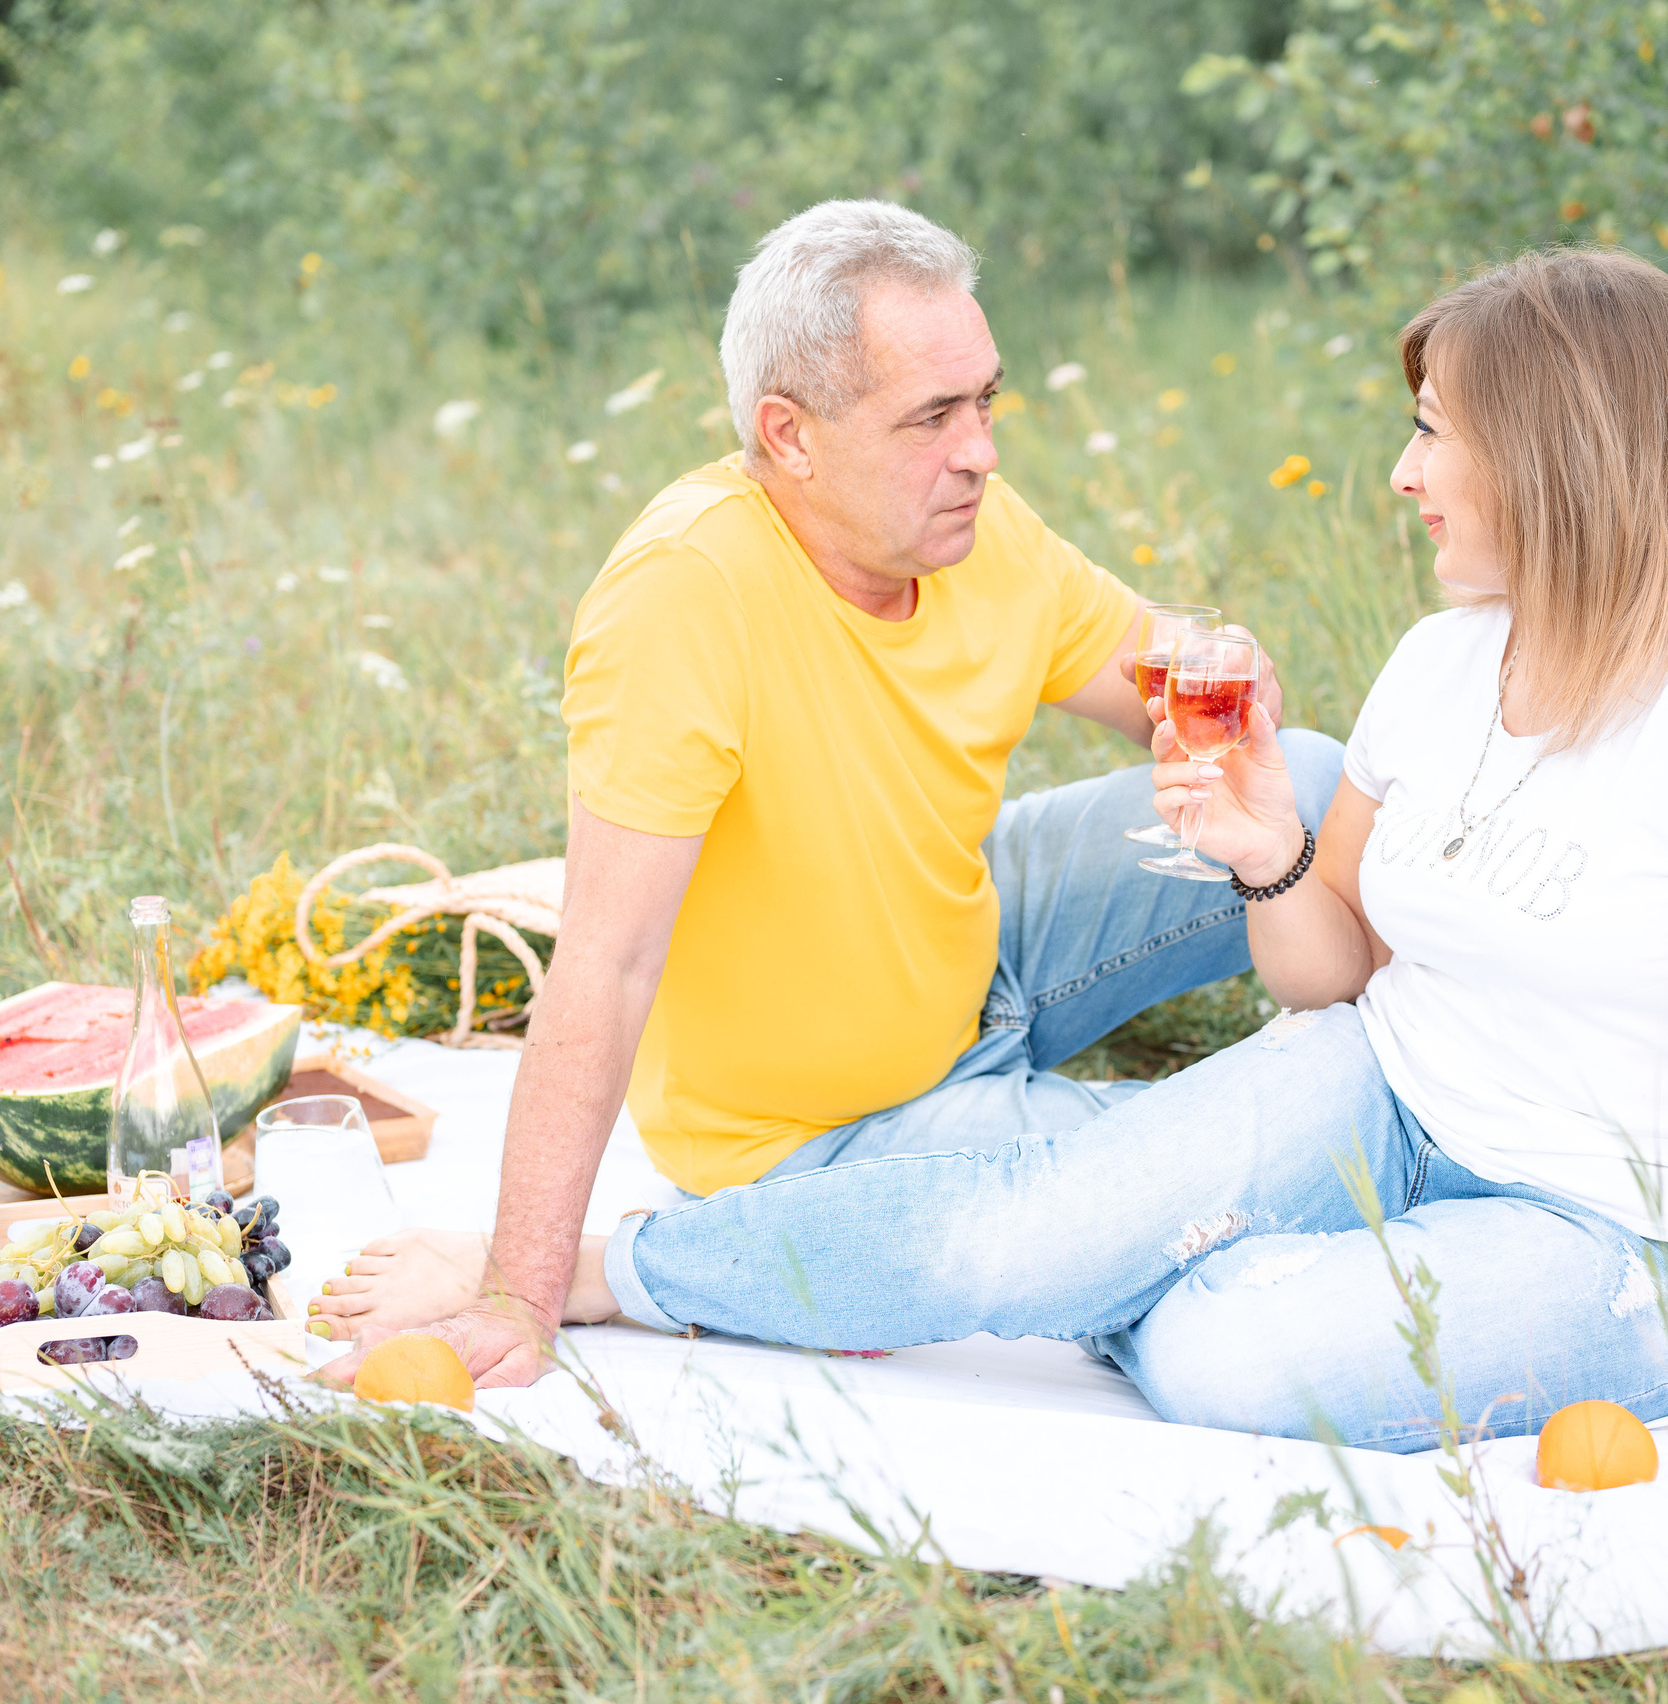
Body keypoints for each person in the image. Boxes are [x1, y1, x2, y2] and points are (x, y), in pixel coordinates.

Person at [333, 244, 1668, 1519]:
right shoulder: (1450, 660)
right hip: (1387, 1091)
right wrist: (1271, 856)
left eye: (1435, 435)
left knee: (1210, 1346)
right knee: (1010, 1239)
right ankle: (639, 1271)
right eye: (1420, 430)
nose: (1401, 475)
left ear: (1561, 456)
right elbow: (1327, 977)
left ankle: (1094, 1220)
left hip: (1629, 1238)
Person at [313, 200, 1344, 1384]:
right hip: (816, 1127)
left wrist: (1228, 685)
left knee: (1310, 780)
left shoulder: (968, 526)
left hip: (974, 950)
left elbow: (1160, 675)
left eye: (986, 402)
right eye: (932, 418)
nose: (981, 451)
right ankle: (653, 1262)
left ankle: (1445, 1048)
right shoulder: (686, 597)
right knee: (1212, 1178)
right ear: (789, 436)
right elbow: (605, 962)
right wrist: (515, 1293)